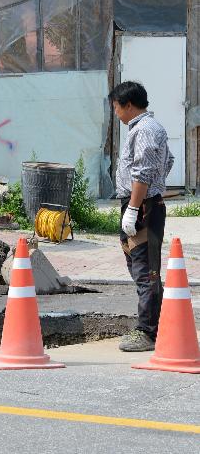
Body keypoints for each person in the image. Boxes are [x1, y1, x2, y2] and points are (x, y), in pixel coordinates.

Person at [108, 81, 174, 352]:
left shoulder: (145, 129)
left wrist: (135, 207)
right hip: (141, 202)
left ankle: (147, 332)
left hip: (143, 207)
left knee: (146, 270)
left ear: (128, 105)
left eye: (116, 107)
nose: (115, 113)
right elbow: (168, 161)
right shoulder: (146, 127)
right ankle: (152, 325)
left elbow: (144, 172)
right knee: (139, 267)